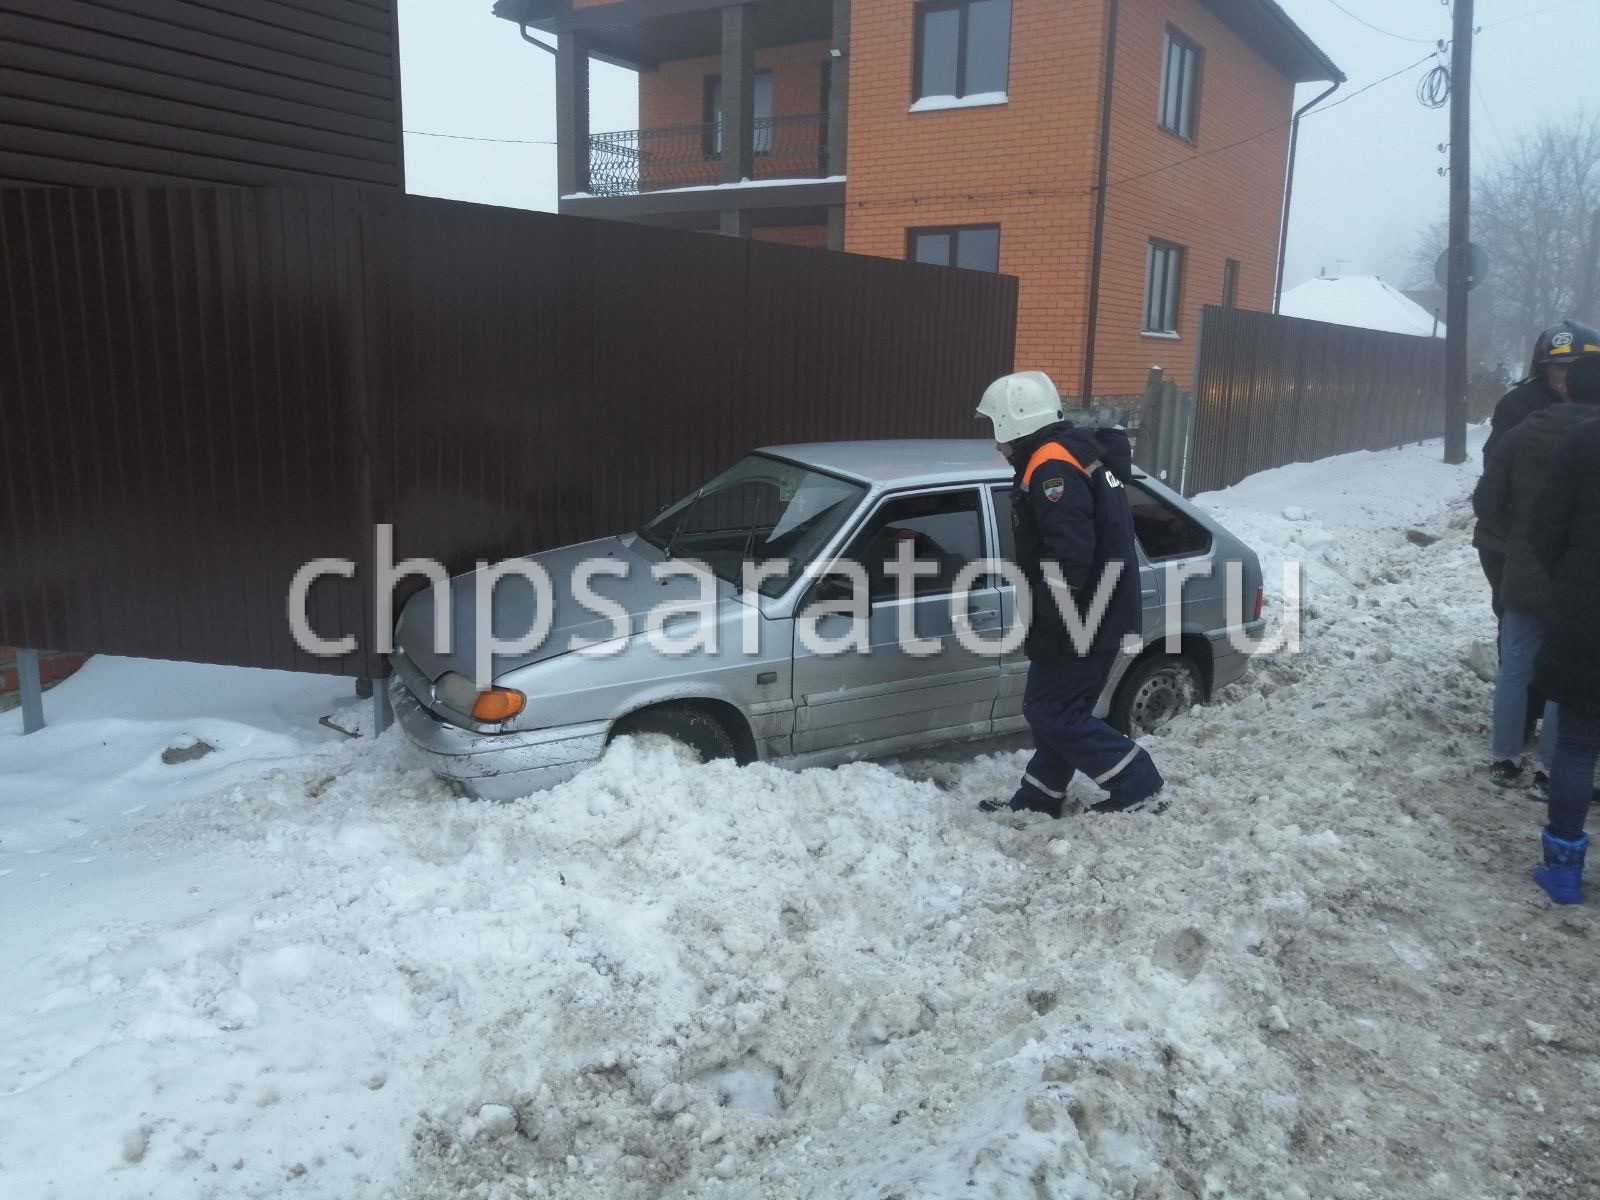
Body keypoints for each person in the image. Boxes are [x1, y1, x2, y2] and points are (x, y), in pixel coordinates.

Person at [974, 371, 1165, 817]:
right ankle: (1038, 800)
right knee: (1061, 710)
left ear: (1013, 421)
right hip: (1097, 610)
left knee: (1049, 711)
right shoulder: (1069, 454)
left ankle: (1139, 782)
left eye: (994, 428)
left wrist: (1053, 622)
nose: (995, 443)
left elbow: (1069, 554)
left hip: (1084, 616)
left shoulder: (1051, 466)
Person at [1472, 332, 1600, 793]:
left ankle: (1505, 758)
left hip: (1525, 565)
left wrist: (1519, 538)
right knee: (1569, 670)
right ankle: (1553, 768)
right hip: (1578, 579)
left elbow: (1487, 497)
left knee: (1517, 664)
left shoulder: (1524, 425)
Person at [1528, 353, 1600, 904]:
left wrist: (1571, 578)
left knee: (1575, 746)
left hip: (1587, 611)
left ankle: (1563, 872)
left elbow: (1545, 526)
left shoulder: (1583, 443)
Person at [1475, 321, 1599, 617]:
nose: (1569, 377)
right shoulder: (1519, 407)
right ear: (1544, 368)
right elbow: (1494, 479)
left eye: (1581, 367)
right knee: (1516, 622)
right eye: (1561, 367)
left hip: (1582, 542)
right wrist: (1518, 533)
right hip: (1512, 542)